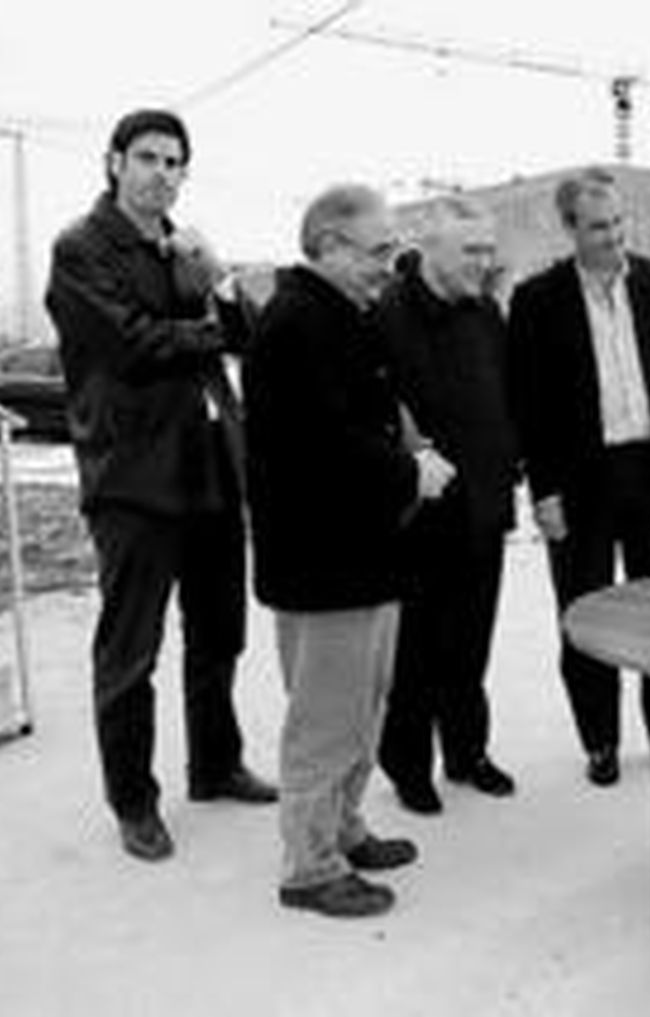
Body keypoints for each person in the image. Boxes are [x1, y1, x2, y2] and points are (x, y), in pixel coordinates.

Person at [44, 108, 275, 864]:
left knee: (218, 632)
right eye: (147, 157)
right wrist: (217, 322)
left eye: (175, 161)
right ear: (114, 162)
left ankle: (213, 763)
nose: (162, 173)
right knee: (131, 647)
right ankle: (134, 801)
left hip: (208, 462)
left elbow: (241, 330)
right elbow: (133, 342)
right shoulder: (82, 249)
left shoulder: (183, 246)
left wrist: (216, 281)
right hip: (133, 473)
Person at [245, 184, 456, 918]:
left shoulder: (339, 313)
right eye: (375, 251)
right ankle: (309, 865)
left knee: (362, 709)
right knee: (325, 720)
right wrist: (411, 471)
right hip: (323, 560)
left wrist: (410, 442)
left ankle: (343, 825)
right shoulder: (297, 322)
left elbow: (367, 411)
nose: (387, 266)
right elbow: (323, 446)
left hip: (363, 554)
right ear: (327, 244)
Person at [507, 167, 650, 787]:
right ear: (569, 228)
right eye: (599, 227)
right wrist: (542, 491)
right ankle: (600, 742)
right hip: (578, 481)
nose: (615, 236)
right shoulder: (537, 299)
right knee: (586, 618)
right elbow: (528, 406)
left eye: (620, 222)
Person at [374, 197, 519, 815]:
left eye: (489, 250)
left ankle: (467, 752)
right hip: (419, 514)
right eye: (471, 251)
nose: (484, 263)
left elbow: (505, 397)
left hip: (484, 506)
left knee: (471, 642)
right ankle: (408, 765)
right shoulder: (387, 314)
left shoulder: (486, 311)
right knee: (417, 650)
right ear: (429, 247)